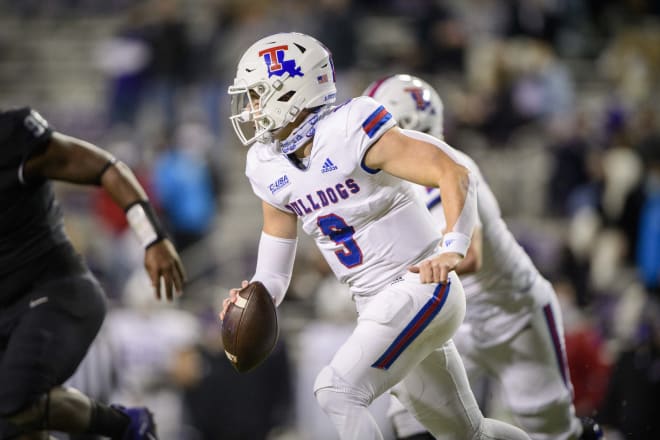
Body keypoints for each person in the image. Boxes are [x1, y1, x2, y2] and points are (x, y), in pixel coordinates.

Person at [220, 32, 530, 440]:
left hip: (421, 285)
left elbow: (453, 173)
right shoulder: (265, 164)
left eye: (259, 95)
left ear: (289, 91)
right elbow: (274, 273)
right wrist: (251, 299)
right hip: (373, 303)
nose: (253, 108)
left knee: (337, 390)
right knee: (468, 434)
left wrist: (453, 247)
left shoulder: (349, 128)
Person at [363, 73, 604, 440]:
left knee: (555, 433)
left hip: (510, 313)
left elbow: (469, 256)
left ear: (404, 127)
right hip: (450, 321)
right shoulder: (387, 185)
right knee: (413, 423)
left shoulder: (447, 171)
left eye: (375, 129)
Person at [0, 107, 186, 439]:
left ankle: (127, 426)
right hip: (7, 312)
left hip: (54, 293)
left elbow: (106, 168)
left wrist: (152, 237)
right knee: (15, 426)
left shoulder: (9, 139)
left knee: (14, 403)